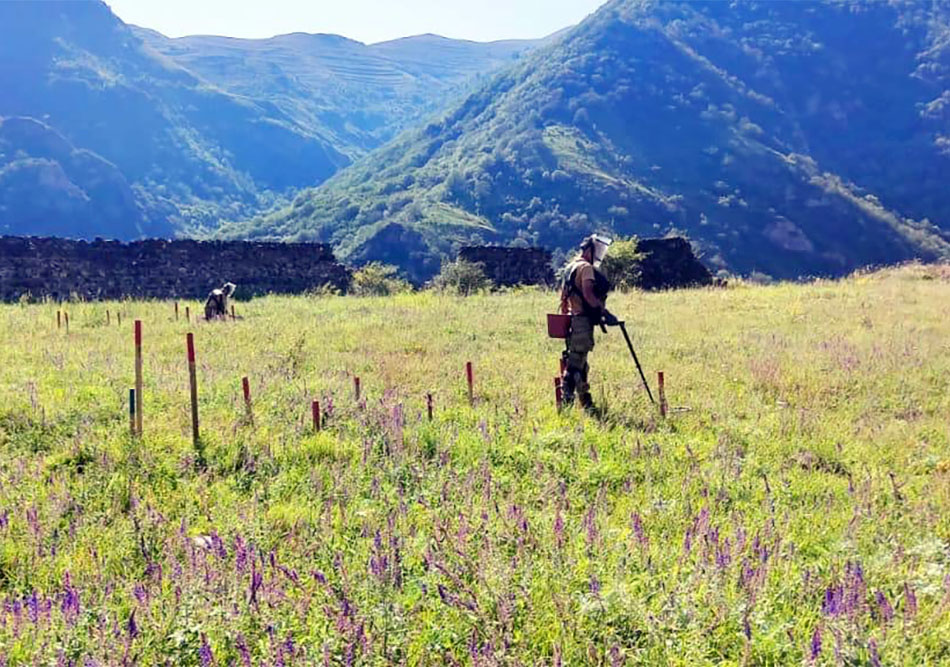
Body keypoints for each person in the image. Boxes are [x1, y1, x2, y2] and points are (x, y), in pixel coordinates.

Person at [558, 235, 618, 412]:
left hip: (573, 319)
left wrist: (567, 319)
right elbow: (589, 294)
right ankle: (566, 405)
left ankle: (587, 404)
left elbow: (563, 299)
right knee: (575, 364)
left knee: (581, 364)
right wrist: (604, 312)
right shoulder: (586, 269)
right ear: (590, 250)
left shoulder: (570, 267)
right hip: (582, 321)